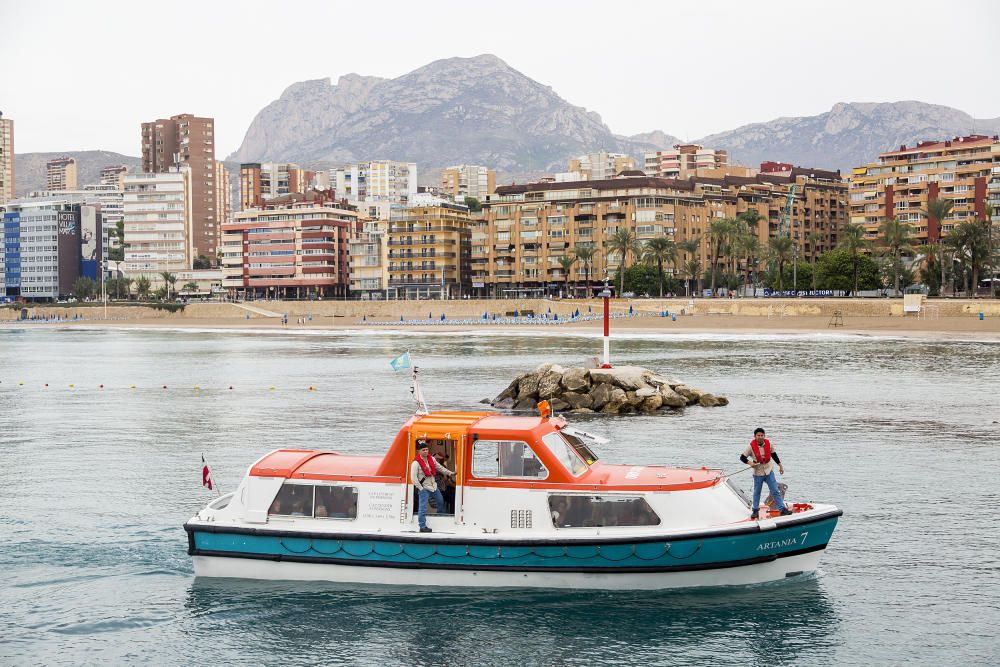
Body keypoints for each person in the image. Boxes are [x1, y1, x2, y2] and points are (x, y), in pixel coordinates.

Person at [740, 427, 793, 519]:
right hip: (758, 473)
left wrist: (780, 465)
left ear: (764, 436)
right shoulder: (750, 447)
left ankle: (782, 509)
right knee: (757, 492)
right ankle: (755, 510)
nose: (760, 437)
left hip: (769, 471)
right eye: (758, 435)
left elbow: (774, 455)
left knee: (775, 490)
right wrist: (750, 463)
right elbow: (742, 457)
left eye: (762, 435)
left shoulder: (769, 444)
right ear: (755, 436)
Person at [411, 440, 455, 532]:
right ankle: (422, 526)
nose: (426, 451)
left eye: (427, 449)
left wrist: (450, 473)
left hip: (433, 486)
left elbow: (440, 468)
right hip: (424, 488)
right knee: (422, 508)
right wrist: (421, 489)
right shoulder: (415, 463)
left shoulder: (432, 459)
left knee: (440, 501)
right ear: (419, 451)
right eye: (423, 450)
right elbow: (413, 479)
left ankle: (439, 518)